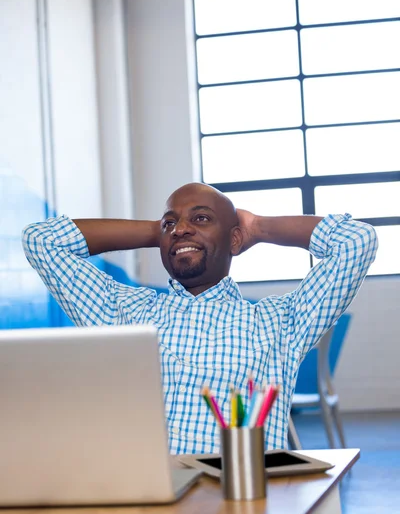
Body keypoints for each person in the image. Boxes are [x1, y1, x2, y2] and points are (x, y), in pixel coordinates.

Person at [22, 182, 378, 454]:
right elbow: (41, 240)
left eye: (201, 219)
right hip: (144, 499)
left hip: (236, 499)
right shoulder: (121, 311)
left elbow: (356, 241)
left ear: (234, 239)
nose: (181, 229)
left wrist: (258, 228)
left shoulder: (280, 322)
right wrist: (157, 232)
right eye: (171, 223)